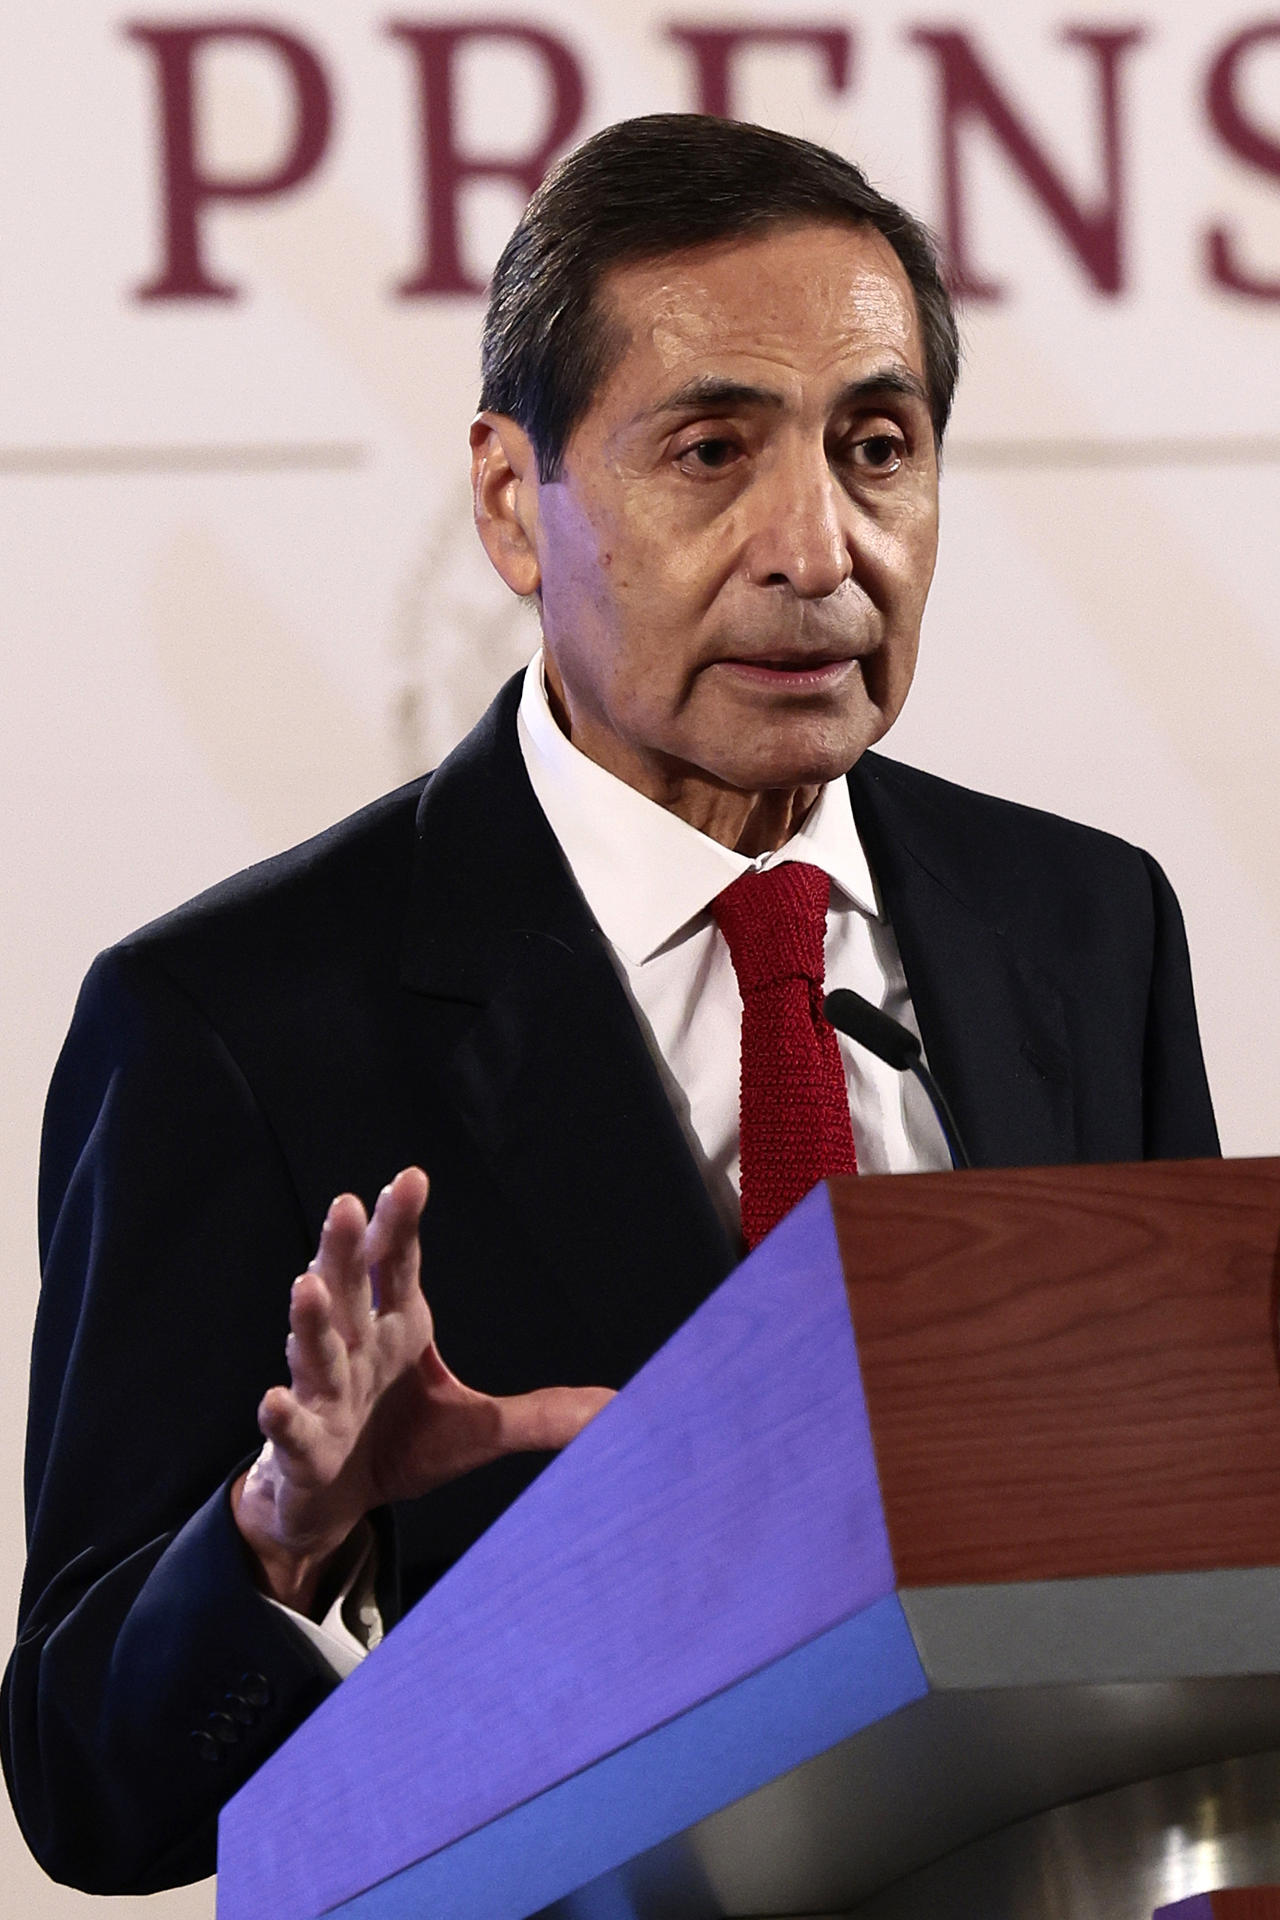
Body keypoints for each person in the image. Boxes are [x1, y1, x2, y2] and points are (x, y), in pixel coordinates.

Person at [2, 114, 1217, 1896]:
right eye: (713, 451)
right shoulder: (233, 1020)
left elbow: (1183, 1547)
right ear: (514, 500)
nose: (819, 548)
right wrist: (287, 1541)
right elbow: (91, 1793)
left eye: (878, 448)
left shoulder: (1085, 929)